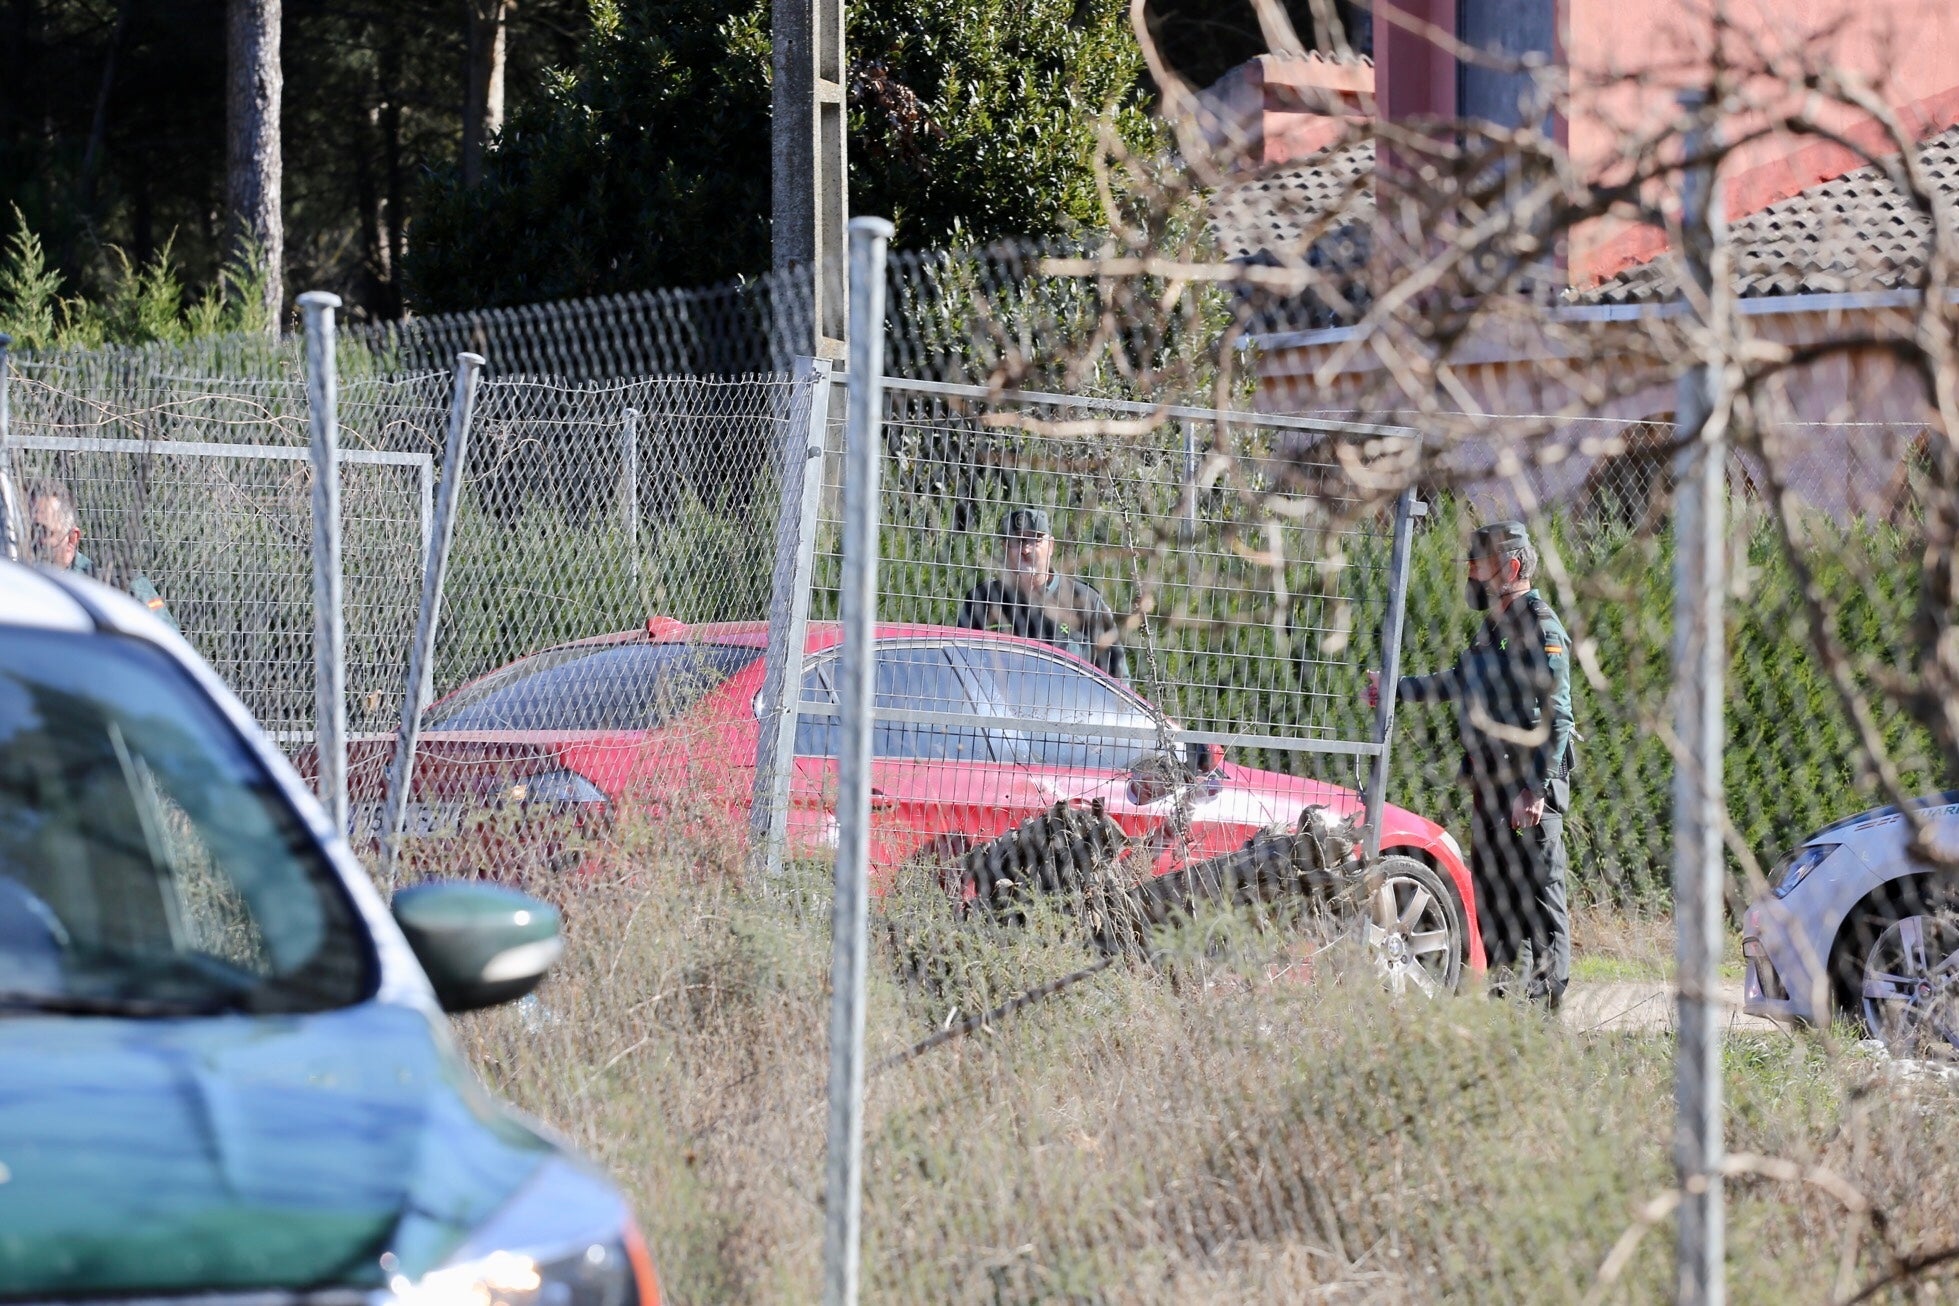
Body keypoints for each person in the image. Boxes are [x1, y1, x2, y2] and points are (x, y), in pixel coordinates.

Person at [1367, 520, 1575, 1008]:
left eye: (1484, 565)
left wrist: (1536, 790)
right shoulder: (1493, 629)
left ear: (1514, 566)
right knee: (1496, 894)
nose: (1476, 575)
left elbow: (1557, 715)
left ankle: (1548, 1011)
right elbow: (1458, 681)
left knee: (1543, 898)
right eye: (1474, 565)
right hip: (1492, 786)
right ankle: (1506, 998)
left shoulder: (1540, 627)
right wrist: (1392, 689)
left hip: (1528, 790)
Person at [956, 507, 1129, 681]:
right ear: (1004, 547)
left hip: (1065, 704)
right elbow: (959, 662)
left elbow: (1118, 676)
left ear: (1051, 546)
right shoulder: (983, 599)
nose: (1026, 550)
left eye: (1035, 540)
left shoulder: (1084, 600)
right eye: (1017, 541)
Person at [25, 478, 179, 632]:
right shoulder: (17, 588)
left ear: (72, 538)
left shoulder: (122, 589)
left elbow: (171, 646)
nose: (31, 539)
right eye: (26, 530)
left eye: (42, 531)